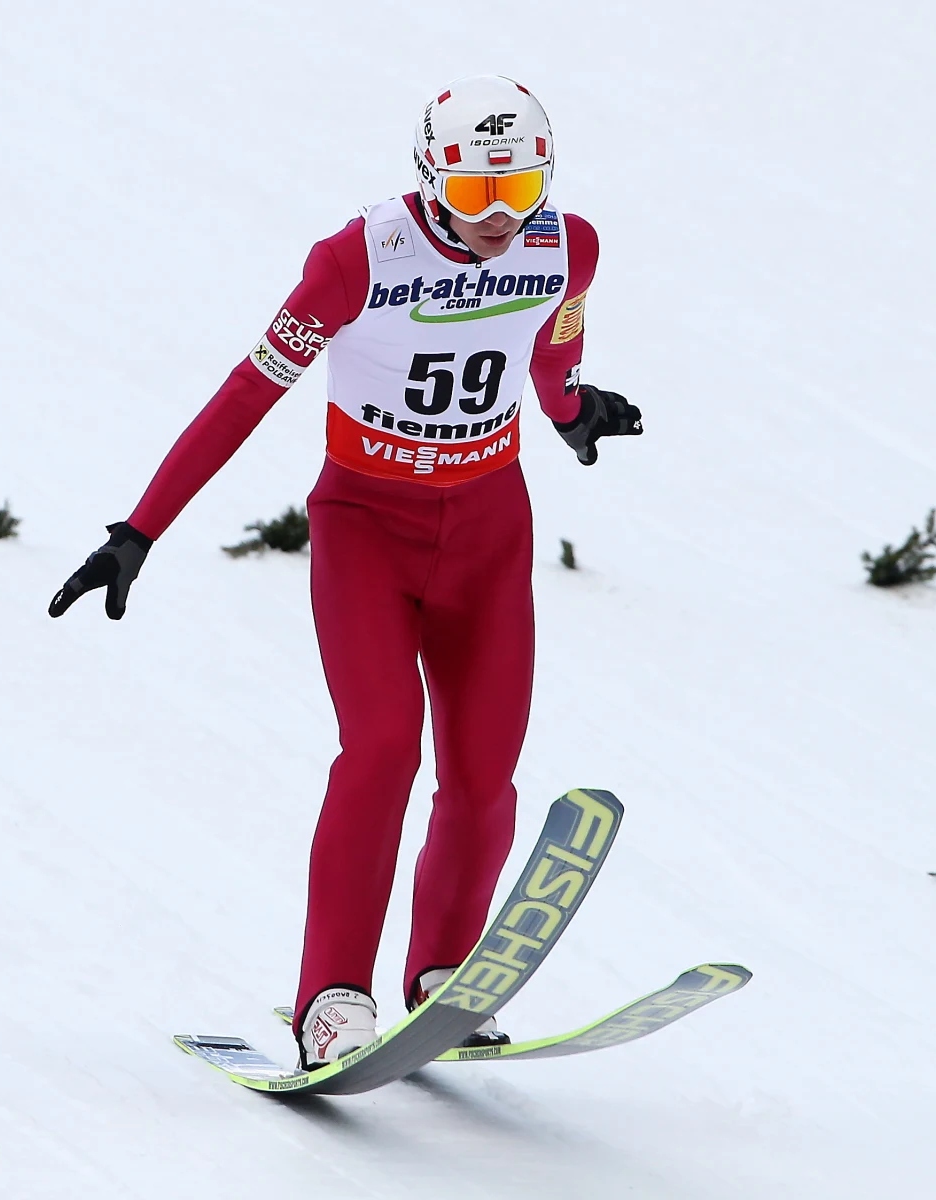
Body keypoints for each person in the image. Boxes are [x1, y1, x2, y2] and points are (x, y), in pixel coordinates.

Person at [48, 75, 643, 1070]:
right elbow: (247, 390)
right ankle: (330, 995)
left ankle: (445, 978)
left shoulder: (564, 243)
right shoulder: (357, 257)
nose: (498, 218)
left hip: (489, 525)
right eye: (470, 197)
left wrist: (570, 411)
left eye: (521, 186)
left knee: (482, 770)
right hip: (367, 525)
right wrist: (140, 528)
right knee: (379, 749)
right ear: (426, 180)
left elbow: (549, 343)